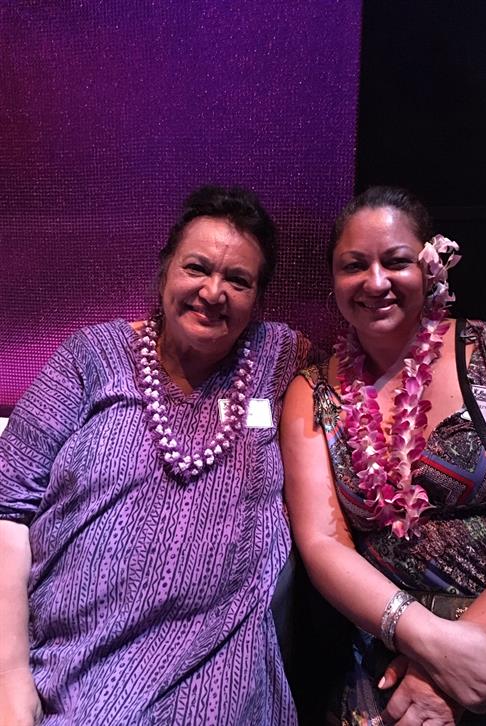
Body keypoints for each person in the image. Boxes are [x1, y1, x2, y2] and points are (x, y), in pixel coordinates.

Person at [0, 185, 312, 725]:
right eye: (197, 268)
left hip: (216, 666)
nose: (213, 292)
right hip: (68, 666)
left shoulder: (278, 359)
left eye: (238, 280)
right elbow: (6, 510)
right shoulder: (91, 358)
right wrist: (10, 678)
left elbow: (371, 381)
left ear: (258, 300)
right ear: (164, 269)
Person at [281, 186, 486, 725]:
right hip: (385, 647)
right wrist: (424, 639)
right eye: (354, 265)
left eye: (396, 261)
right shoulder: (312, 392)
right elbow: (323, 542)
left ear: (430, 267)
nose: (375, 281)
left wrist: (455, 657)